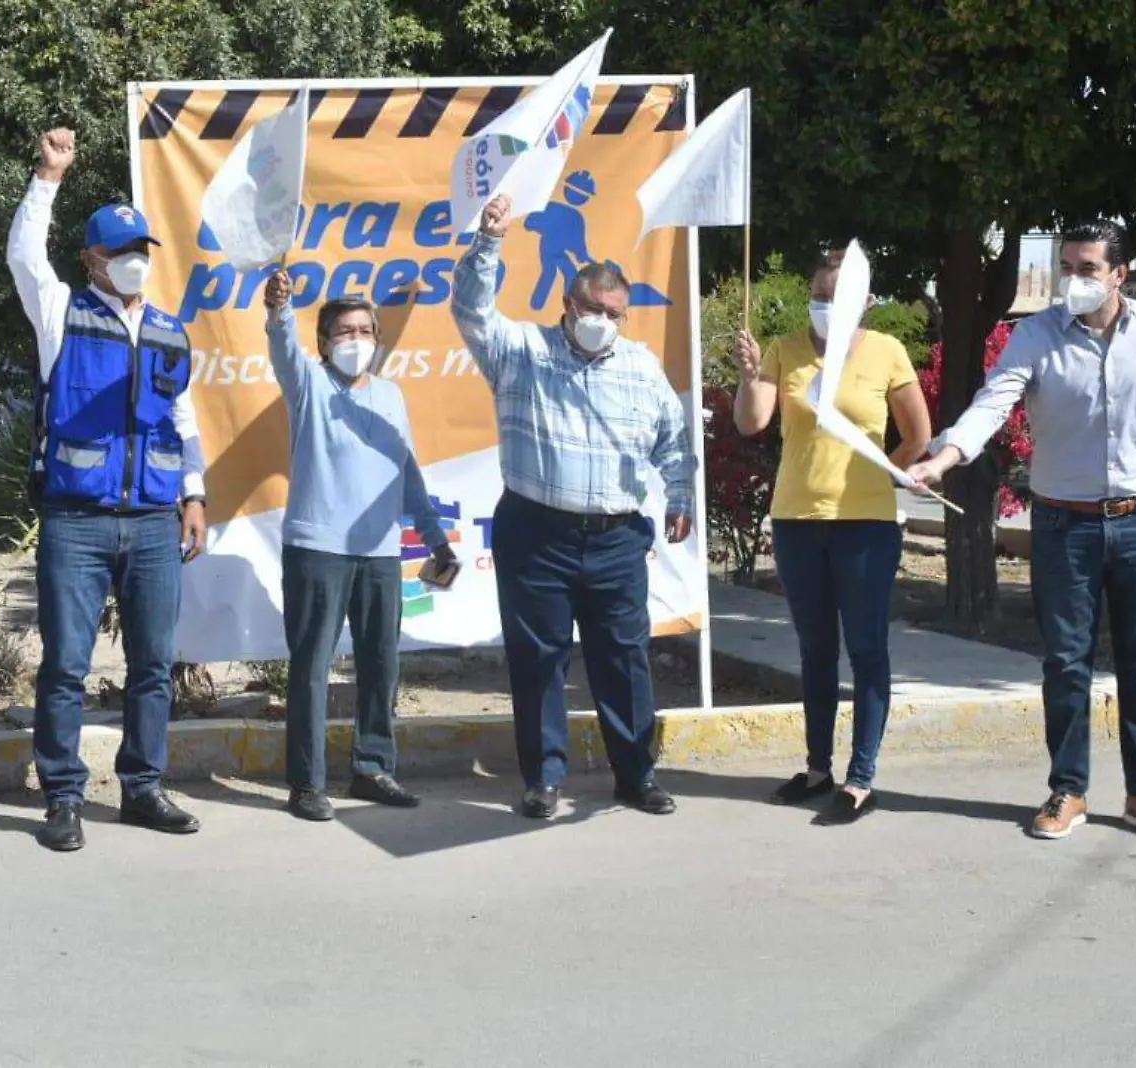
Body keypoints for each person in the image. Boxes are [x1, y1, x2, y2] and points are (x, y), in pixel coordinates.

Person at [906, 220, 1136, 845]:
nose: (1073, 280)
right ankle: (1069, 790)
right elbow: (993, 403)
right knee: (1065, 663)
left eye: (1088, 269)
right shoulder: (1036, 334)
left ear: (1119, 275)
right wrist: (943, 458)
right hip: (1063, 527)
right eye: (1067, 267)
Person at [451, 193, 697, 819]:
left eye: (616, 313)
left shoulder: (641, 368)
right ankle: (544, 778)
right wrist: (488, 242)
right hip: (537, 533)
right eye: (594, 308)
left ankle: (636, 775)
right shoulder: (522, 353)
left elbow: (674, 439)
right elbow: (470, 309)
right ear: (569, 302)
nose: (604, 321)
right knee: (538, 661)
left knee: (625, 658)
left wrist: (679, 492)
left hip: (616, 539)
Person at [8, 127, 209, 852]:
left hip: (155, 520)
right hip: (78, 520)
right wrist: (48, 177)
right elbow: (24, 258)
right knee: (65, 664)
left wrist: (194, 495)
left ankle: (142, 788)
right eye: (118, 253)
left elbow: (182, 420)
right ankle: (62, 795)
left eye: (139, 253)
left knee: (154, 664)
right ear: (91, 258)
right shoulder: (61, 315)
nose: (132, 263)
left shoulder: (168, 331)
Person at [729, 249, 931, 824]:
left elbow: (918, 434)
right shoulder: (785, 349)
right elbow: (752, 423)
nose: (824, 306)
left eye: (836, 297)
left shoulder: (887, 352)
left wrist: (879, 471)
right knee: (814, 650)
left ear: (866, 303)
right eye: (817, 295)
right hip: (796, 521)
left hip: (865, 525)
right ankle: (818, 768)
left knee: (866, 650)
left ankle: (861, 777)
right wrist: (748, 378)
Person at [261, 271, 460, 822]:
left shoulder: (392, 395)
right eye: (344, 332)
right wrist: (279, 310)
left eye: (366, 331)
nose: (356, 340)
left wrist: (435, 538)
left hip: (379, 551)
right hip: (317, 547)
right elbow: (281, 344)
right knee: (312, 668)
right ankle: (307, 783)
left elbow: (408, 472)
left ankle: (373, 767)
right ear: (324, 343)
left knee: (381, 664)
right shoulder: (308, 382)